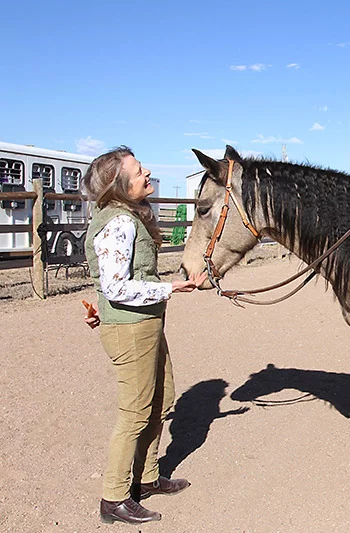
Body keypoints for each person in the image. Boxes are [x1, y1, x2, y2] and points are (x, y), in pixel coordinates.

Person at [82, 146, 206, 524]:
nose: (147, 172)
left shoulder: (125, 217)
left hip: (145, 324)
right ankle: (114, 497)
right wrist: (172, 288)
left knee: (161, 398)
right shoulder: (119, 222)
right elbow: (117, 287)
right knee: (134, 413)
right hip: (132, 329)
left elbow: (111, 286)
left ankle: (146, 477)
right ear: (120, 186)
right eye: (138, 171)